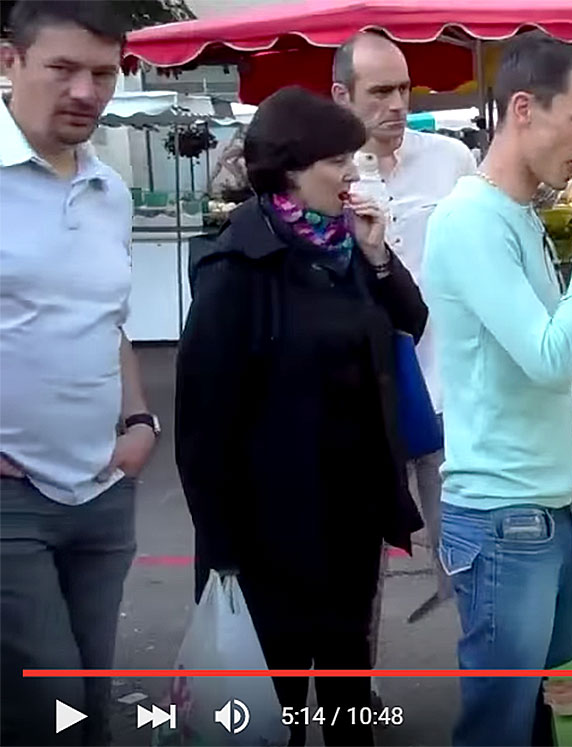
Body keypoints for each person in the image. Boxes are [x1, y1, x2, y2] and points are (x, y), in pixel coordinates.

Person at [175, 86, 426, 746]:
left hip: (350, 513)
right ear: (290, 168)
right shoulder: (236, 266)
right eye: (337, 161)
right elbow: (201, 425)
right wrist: (221, 551)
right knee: (273, 702)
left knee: (349, 690)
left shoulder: (345, 248)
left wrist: (379, 253)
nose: (352, 174)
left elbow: (412, 319)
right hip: (268, 532)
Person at [421, 34, 572, 747]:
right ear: (522, 110)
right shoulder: (473, 219)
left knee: (555, 714)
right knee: (500, 726)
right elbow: (548, 355)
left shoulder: (519, 216)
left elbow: (505, 366)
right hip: (505, 519)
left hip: (549, 509)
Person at [0, 3, 153, 744]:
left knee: (90, 692)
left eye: (103, 72)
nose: (86, 91)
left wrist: (139, 419)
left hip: (101, 488)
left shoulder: (109, 190)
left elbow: (108, 321)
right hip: (10, 496)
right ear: (10, 62)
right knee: (46, 699)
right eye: (62, 68)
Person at [331, 29, 476, 635]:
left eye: (406, 89)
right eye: (381, 91)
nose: (397, 104)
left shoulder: (451, 160)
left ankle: (493, 694)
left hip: (445, 388)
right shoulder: (318, 173)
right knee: (359, 567)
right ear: (342, 95)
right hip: (360, 398)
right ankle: (357, 692)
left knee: (469, 559)